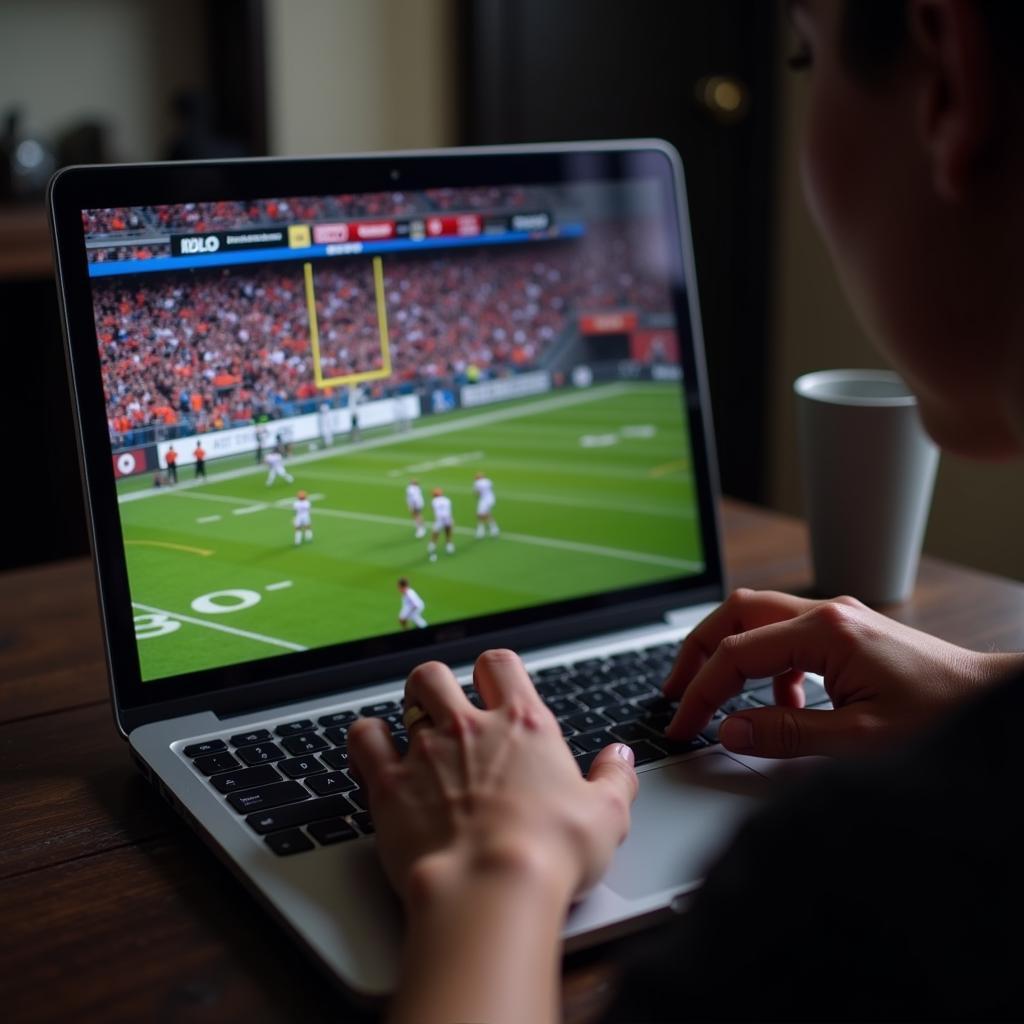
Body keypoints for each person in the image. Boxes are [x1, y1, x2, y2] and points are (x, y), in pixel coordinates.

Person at [347, 3, 1024, 1021]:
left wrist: (501, 871)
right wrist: (985, 689)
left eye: (805, 53)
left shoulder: (866, 885)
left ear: (947, 80)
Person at [427, 487, 454, 562]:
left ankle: (432, 546)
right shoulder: (447, 499)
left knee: (435, 533)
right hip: (448, 517)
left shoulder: (434, 501)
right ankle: (449, 545)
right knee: (448, 531)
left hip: (439, 519)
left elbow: (433, 510)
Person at [472, 470, 499, 538]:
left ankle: (483, 530)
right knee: (485, 514)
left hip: (484, 500)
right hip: (491, 498)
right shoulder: (488, 481)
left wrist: (478, 495)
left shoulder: (477, 483)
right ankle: (491, 529)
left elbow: (476, 493)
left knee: (481, 515)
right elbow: (491, 488)